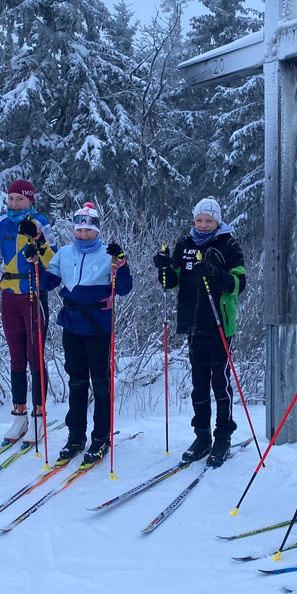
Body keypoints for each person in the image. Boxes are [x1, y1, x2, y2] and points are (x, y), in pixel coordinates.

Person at [152, 197, 246, 467]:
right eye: (199, 220)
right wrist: (164, 267)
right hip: (193, 322)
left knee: (221, 384)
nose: (203, 225)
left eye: (209, 220)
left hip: (219, 323)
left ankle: (223, 436)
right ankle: (202, 435)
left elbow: (239, 285)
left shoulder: (228, 244)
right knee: (199, 384)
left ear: (217, 221)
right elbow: (171, 284)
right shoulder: (185, 244)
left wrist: (215, 273)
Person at [46, 203, 132, 466]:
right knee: (76, 382)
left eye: (89, 230)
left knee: (101, 383)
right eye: (80, 230)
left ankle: (100, 437)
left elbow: (124, 288)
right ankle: (75, 436)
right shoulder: (64, 253)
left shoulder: (108, 254)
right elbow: (49, 282)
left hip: (98, 327)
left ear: (97, 230)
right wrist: (35, 258)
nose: (83, 234)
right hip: (71, 324)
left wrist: (121, 263)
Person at [0, 180, 58, 443]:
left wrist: (39, 238)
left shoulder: (41, 221)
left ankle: (38, 416)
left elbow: (54, 260)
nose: (14, 204)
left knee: (35, 355)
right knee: (16, 357)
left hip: (34, 290)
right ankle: (19, 415)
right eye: (10, 199)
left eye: (19, 200)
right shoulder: (0, 223)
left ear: (30, 200)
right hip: (9, 291)